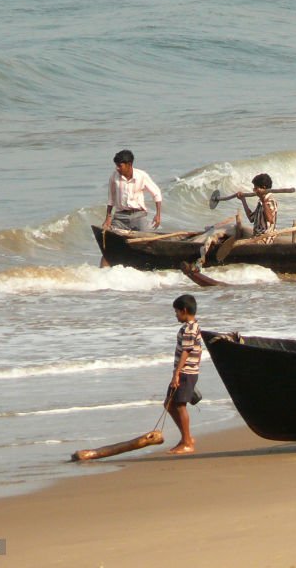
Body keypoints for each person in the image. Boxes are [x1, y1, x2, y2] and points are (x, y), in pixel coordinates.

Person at [100, 150, 163, 267]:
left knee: (149, 243)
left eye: (120, 165)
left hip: (138, 215)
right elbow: (111, 198)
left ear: (129, 164)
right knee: (110, 246)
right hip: (120, 217)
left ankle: (150, 266)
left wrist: (158, 215)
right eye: (116, 166)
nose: (117, 168)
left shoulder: (142, 176)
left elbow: (157, 194)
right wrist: (108, 217)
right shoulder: (114, 176)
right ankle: (102, 274)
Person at [165, 294, 202, 454]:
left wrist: (176, 374)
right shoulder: (193, 326)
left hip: (186, 372)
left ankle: (187, 442)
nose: (175, 315)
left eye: (176, 312)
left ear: (184, 310)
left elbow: (186, 352)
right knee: (169, 403)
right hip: (186, 372)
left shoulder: (189, 328)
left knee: (179, 405)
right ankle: (186, 437)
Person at [237, 173, 278, 241]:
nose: (254, 191)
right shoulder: (260, 202)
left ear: (264, 188)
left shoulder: (270, 200)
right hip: (256, 237)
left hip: (265, 238)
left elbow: (270, 219)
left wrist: (263, 200)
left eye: (256, 188)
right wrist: (243, 200)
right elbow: (251, 218)